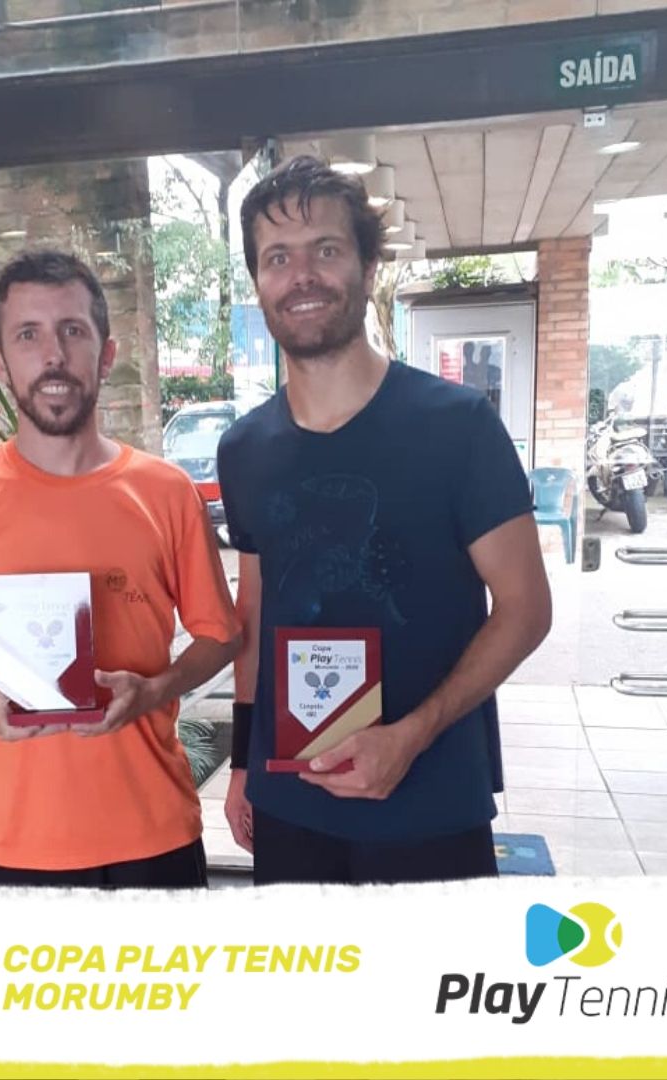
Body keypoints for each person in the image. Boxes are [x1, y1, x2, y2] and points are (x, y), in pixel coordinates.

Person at [217, 156, 552, 885]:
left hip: (429, 800)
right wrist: (243, 763)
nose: (301, 276)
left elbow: (526, 609)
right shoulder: (244, 449)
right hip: (292, 801)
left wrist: (411, 736)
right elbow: (256, 614)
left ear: (368, 269)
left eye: (325, 250)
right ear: (259, 282)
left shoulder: (458, 426)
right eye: (278, 258)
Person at [0, 249, 240, 889]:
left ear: (105, 355)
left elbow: (222, 636)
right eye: (28, 334)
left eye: (72, 331)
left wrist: (155, 689)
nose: (52, 355)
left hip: (154, 835)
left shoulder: (166, 492)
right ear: (0, 361)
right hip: (16, 845)